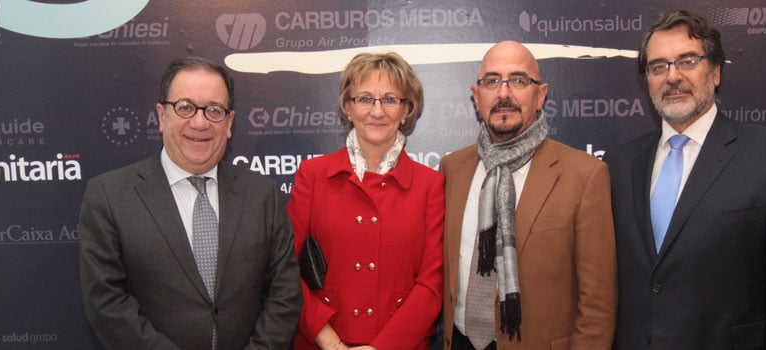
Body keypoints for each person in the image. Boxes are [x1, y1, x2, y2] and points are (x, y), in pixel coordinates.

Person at [605, 10, 766, 349]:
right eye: (658, 66)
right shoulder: (618, 164)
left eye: (688, 61)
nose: (672, 76)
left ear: (717, 71)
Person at [78, 56, 302, 349]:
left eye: (214, 110)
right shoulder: (109, 196)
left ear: (229, 122)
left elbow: (284, 294)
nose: (200, 122)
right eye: (185, 107)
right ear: (161, 115)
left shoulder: (263, 195)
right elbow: (107, 304)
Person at [440, 40, 617, 350]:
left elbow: (597, 306)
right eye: (492, 81)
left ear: (541, 95)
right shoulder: (452, 168)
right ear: (476, 96)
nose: (504, 93)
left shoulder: (585, 175)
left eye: (519, 80)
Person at [286, 52, 444, 350]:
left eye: (390, 99)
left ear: (406, 110)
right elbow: (285, 270)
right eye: (365, 99)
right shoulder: (312, 176)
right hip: (321, 343)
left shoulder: (431, 186)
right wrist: (330, 341)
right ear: (347, 107)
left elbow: (432, 284)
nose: (377, 111)